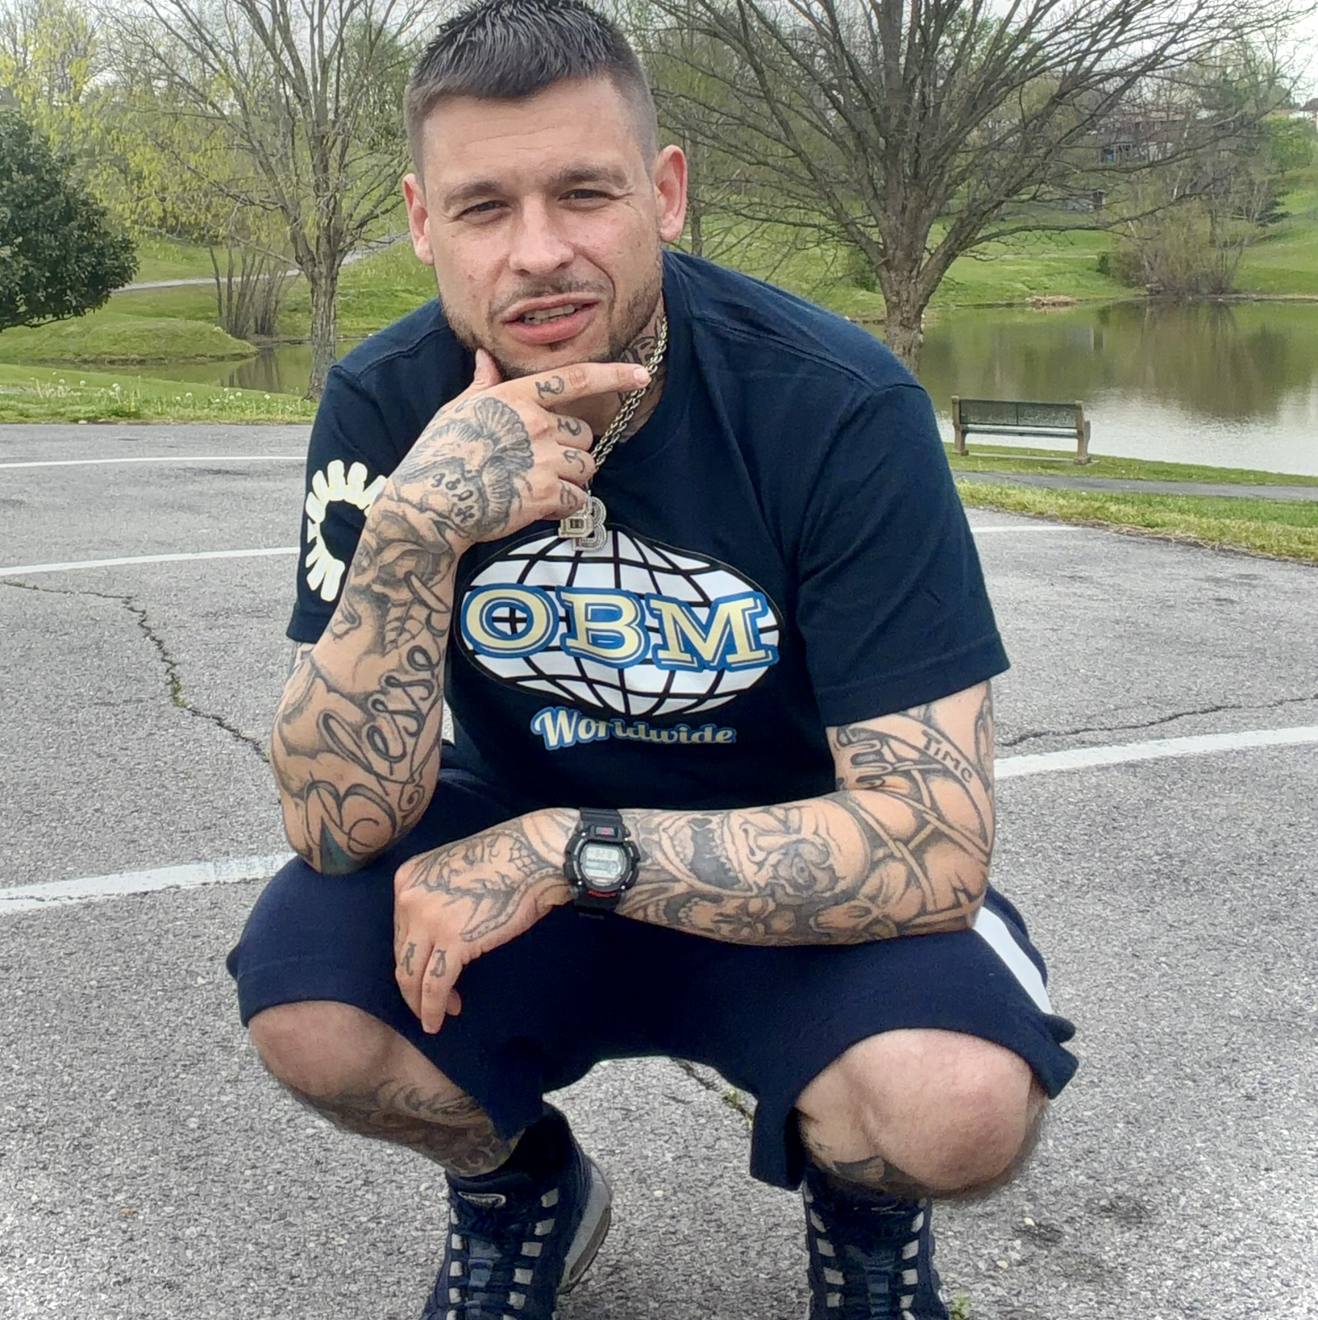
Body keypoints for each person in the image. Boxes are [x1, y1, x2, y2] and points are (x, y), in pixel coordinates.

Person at [226, 1, 1078, 1316]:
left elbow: (930, 841)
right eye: (483, 207)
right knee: (307, 1007)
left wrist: (567, 851)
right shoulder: (384, 402)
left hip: (786, 864)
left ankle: (865, 1212)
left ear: (665, 193)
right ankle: (519, 1189)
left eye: (585, 192)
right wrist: (412, 530)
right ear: (421, 222)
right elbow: (338, 827)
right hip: (499, 856)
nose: (539, 251)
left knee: (953, 1106)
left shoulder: (837, 408)